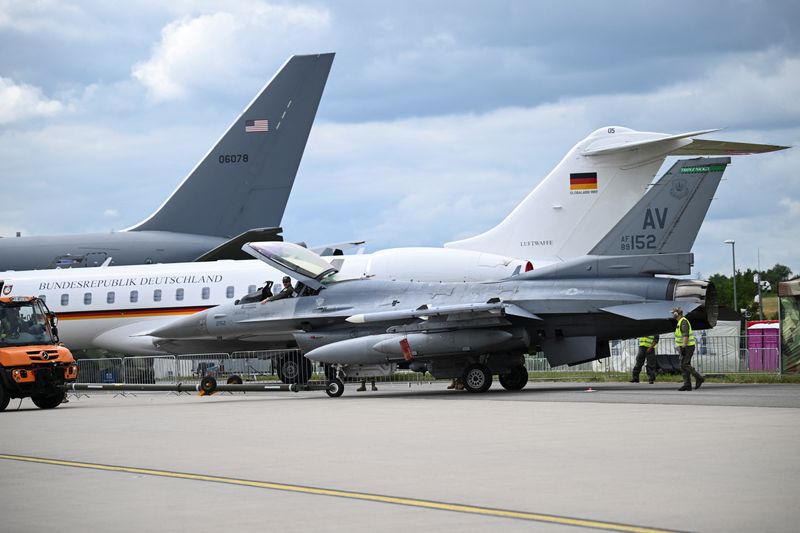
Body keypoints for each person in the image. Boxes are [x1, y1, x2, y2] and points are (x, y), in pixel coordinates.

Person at [672, 306, 705, 391]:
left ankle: (699, 377)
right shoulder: (680, 322)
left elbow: (686, 335)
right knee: (683, 365)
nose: (672, 314)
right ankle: (687, 385)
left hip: (687, 347)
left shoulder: (683, 322)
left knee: (685, 364)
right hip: (685, 347)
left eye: (673, 313)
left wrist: (683, 347)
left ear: (676, 314)